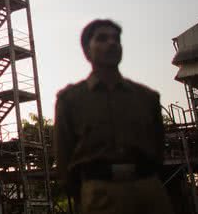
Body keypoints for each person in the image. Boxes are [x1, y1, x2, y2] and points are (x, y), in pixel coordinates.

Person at [54, 19, 173, 214]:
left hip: (148, 188)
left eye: (116, 39)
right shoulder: (70, 100)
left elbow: (158, 148)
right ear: (86, 50)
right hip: (100, 192)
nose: (111, 43)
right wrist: (87, 191)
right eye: (102, 38)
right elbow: (63, 158)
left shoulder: (147, 97)